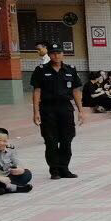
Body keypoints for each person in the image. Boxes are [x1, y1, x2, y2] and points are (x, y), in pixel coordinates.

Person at [30, 43, 84, 179]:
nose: (56, 56)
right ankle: (54, 170)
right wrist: (36, 112)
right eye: (53, 53)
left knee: (67, 140)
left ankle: (64, 168)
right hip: (48, 109)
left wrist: (81, 111)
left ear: (63, 54)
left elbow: (76, 91)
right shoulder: (41, 70)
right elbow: (37, 91)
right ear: (49, 54)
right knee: (51, 141)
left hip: (65, 108)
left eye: (59, 53)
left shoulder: (70, 69)